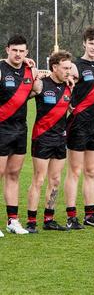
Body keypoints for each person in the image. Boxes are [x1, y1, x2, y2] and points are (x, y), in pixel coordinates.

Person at [63, 26, 94, 229]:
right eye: (90, 43)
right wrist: (69, 105)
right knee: (75, 170)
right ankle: (71, 216)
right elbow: (63, 86)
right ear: (84, 43)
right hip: (78, 123)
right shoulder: (75, 66)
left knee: (91, 171)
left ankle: (90, 215)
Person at [25, 51, 73, 233]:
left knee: (55, 180)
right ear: (54, 67)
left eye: (69, 68)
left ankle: (49, 218)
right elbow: (22, 95)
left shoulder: (70, 86)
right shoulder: (40, 85)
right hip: (42, 138)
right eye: (65, 68)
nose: (69, 71)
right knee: (39, 179)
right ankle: (31, 221)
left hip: (60, 139)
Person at [1, 35, 37, 235]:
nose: (18, 54)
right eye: (14, 50)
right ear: (7, 50)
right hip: (1, 128)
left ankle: (12, 221)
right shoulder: (1, 69)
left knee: (13, 175)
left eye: (22, 51)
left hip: (20, 129)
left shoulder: (29, 70)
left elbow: (32, 91)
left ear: (26, 52)